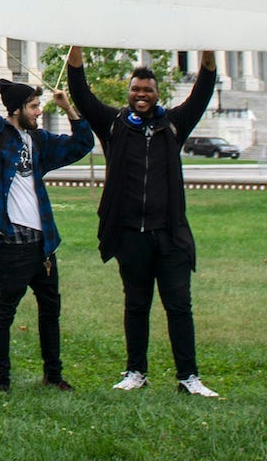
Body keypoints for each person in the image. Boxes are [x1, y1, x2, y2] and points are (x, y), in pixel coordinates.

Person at [66, 46, 221, 396]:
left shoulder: (174, 124)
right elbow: (82, 93)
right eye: (136, 89)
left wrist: (209, 50)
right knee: (136, 305)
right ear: (129, 92)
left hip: (170, 235)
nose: (141, 95)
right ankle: (136, 370)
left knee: (179, 305)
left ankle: (188, 376)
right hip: (131, 235)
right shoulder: (114, 124)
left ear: (157, 94)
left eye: (147, 90)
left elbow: (203, 91)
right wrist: (74, 45)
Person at [0, 37, 94, 392]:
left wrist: (67, 105)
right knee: (5, 312)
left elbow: (82, 144)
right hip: (12, 244)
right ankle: (1, 381)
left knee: (50, 311)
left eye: (40, 105)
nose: (40, 111)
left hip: (43, 245)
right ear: (17, 109)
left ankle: (53, 376)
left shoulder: (40, 142)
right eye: (34, 106)